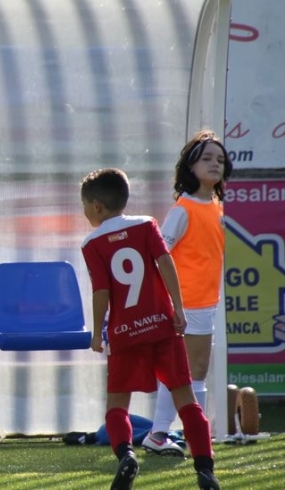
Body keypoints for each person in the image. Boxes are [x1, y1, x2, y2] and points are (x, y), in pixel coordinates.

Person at [80, 168, 219, 490]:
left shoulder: (92, 243)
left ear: (97, 206)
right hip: (162, 326)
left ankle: (127, 455)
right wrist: (179, 308)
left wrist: (96, 331)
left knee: (117, 405)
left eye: (84, 205)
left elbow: (101, 291)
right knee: (186, 398)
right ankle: (205, 469)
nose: (84, 211)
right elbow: (165, 262)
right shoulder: (146, 225)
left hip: (124, 333)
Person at [144, 130, 233, 455]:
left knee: (185, 373)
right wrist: (169, 302)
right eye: (207, 158)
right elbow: (159, 254)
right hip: (188, 305)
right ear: (190, 166)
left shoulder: (215, 205)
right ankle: (194, 436)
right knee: (193, 371)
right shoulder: (183, 210)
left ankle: (159, 434)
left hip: (203, 304)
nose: (215, 164)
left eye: (220, 160)